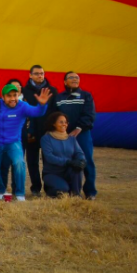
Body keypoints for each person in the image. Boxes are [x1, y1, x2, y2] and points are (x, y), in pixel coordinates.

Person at [0, 83, 52, 201]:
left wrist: (42, 105)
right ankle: (1, 191)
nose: (13, 99)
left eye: (15, 95)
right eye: (9, 96)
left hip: (14, 143)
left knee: (19, 164)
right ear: (3, 97)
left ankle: (19, 193)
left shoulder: (23, 106)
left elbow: (37, 112)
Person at [51, 71, 97, 200]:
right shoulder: (59, 98)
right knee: (66, 162)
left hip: (81, 134)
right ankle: (71, 190)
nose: (75, 79)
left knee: (86, 161)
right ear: (65, 82)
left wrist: (78, 128)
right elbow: (54, 115)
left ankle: (90, 192)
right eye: (71, 77)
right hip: (63, 135)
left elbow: (89, 115)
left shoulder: (86, 96)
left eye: (77, 77)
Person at [22, 65, 57, 197]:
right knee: (32, 161)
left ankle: (49, 188)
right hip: (30, 131)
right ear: (30, 75)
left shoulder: (52, 91)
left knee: (48, 161)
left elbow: (56, 111)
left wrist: (53, 129)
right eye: (36, 74)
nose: (40, 76)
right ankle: (35, 188)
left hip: (47, 131)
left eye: (42, 73)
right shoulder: (24, 91)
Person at [41, 112, 86, 197]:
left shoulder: (71, 139)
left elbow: (79, 152)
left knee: (78, 168)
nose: (64, 124)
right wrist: (68, 162)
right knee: (63, 190)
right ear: (53, 124)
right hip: (52, 173)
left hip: (68, 172)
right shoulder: (46, 138)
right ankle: (51, 190)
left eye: (65, 122)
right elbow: (49, 157)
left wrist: (81, 161)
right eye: (61, 122)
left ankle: (76, 195)